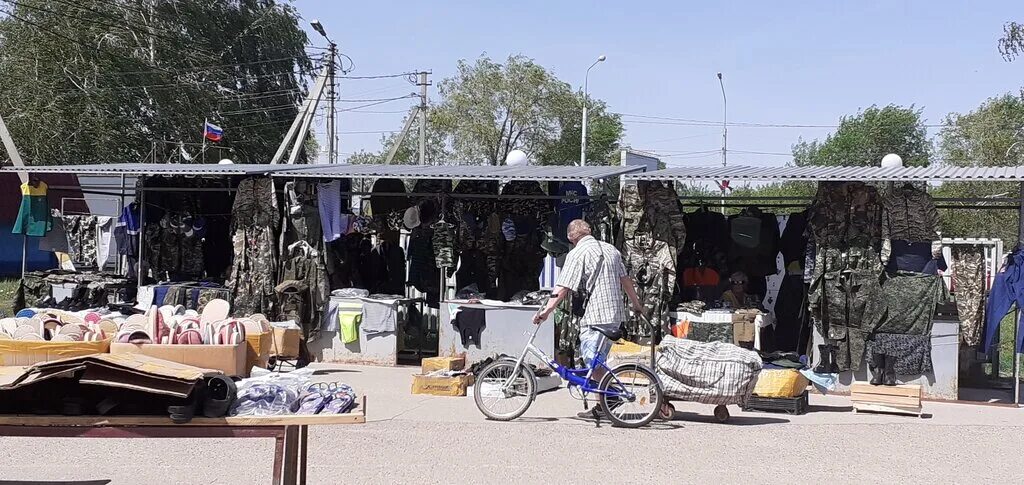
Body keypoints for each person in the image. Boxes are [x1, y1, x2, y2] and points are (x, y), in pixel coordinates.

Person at [534, 220, 643, 394]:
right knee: (597, 362)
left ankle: (614, 395)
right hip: (615, 316)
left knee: (592, 361)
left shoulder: (578, 253)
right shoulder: (611, 249)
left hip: (596, 316)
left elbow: (563, 286)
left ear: (570, 237)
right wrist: (637, 304)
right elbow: (626, 280)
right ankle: (603, 406)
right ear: (589, 231)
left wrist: (547, 311)